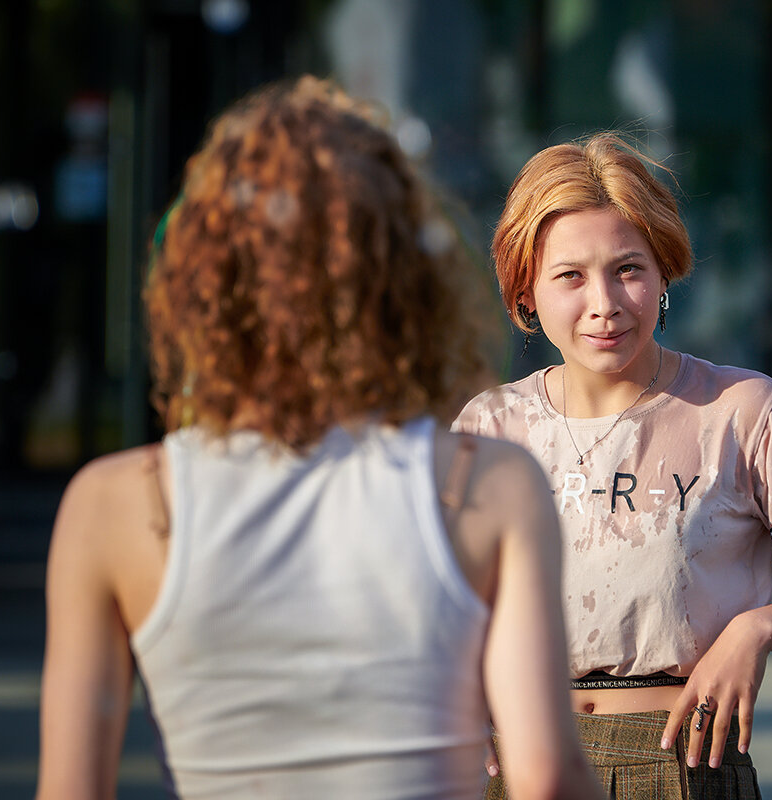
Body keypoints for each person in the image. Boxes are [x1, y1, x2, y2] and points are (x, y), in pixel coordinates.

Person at [35, 76, 604, 800]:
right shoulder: (492, 484)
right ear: (405, 278)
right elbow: (547, 775)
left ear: (206, 281)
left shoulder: (112, 505)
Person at [453, 132, 772, 798]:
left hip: (679, 767)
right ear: (526, 292)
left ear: (665, 272)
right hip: (517, 767)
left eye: (628, 269)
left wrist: (760, 629)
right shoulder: (490, 428)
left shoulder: (742, 411)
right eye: (570, 276)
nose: (604, 302)